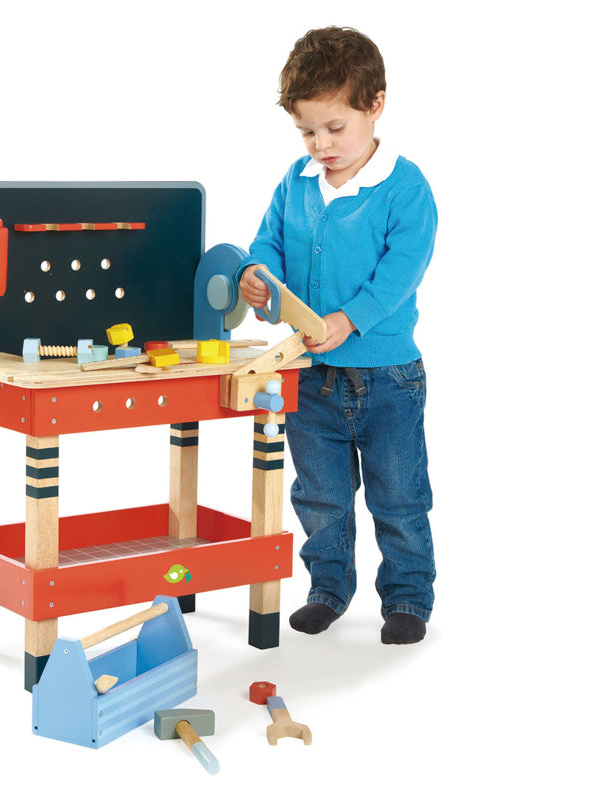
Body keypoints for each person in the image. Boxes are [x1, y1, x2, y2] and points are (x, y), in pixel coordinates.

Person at [239, 26, 437, 644]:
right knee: (320, 496)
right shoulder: (295, 183)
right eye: (307, 132)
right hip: (309, 377)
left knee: (398, 497)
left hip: (387, 379)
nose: (321, 144)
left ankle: (407, 597)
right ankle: (328, 588)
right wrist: (256, 276)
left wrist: (346, 321)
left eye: (334, 127)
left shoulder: (405, 188)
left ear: (375, 105)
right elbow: (268, 242)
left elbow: (401, 273)